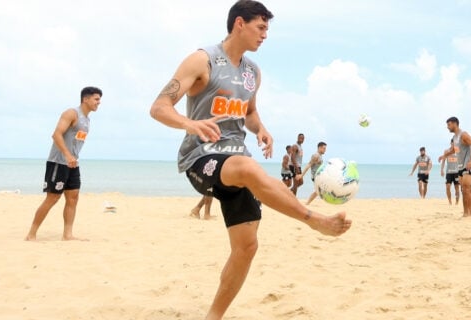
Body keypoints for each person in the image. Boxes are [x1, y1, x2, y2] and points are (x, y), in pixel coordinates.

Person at [148, 2, 352, 318]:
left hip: (237, 158)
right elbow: (159, 107)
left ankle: (213, 316)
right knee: (248, 167)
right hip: (201, 157)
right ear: (239, 24)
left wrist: (262, 130)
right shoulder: (202, 60)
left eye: (268, 28)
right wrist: (190, 124)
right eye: (261, 27)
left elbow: (250, 112)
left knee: (246, 247)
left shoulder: (252, 72)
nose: (265, 35)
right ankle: (315, 221)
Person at [25, 86, 102, 241]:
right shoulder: (71, 113)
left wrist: (72, 157)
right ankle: (31, 234)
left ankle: (67, 235)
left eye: (99, 100)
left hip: (73, 163)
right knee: (52, 198)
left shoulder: (87, 120)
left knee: (73, 198)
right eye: (96, 99)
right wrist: (67, 155)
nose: (98, 103)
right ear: (85, 99)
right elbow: (56, 134)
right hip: (58, 162)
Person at [443, 117, 471, 218]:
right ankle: (465, 213)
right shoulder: (455, 137)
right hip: (460, 167)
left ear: (455, 124)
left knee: (467, 189)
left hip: (469, 166)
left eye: (449, 125)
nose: (447, 127)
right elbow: (454, 150)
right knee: (464, 190)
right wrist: (445, 155)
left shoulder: (463, 134)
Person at [438, 139, 460, 205]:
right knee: (447, 187)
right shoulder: (446, 151)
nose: (454, 144)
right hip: (449, 172)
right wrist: (442, 170)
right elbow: (443, 161)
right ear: (450, 143)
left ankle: (457, 202)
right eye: (453, 143)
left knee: (457, 188)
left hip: (456, 172)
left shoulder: (458, 151)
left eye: (455, 143)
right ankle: (450, 201)